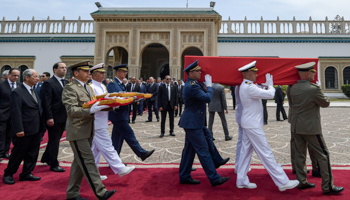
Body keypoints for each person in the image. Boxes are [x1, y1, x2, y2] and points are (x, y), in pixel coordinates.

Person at [236, 61, 299, 191]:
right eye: (254, 73)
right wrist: (271, 86)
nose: (257, 74)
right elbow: (270, 95)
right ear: (247, 74)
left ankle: (241, 179)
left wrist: (265, 87)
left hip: (249, 123)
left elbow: (260, 93)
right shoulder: (249, 87)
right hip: (252, 125)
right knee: (266, 153)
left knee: (245, 152)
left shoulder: (247, 85)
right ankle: (282, 182)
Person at [62, 61, 116, 200]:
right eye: (85, 71)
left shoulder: (88, 88)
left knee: (78, 163)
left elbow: (95, 104)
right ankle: (101, 192)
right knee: (88, 160)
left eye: (88, 71)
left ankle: (72, 194)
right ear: (76, 73)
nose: (88, 73)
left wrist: (112, 105)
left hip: (89, 129)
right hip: (78, 130)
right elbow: (71, 110)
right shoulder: (71, 88)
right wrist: (90, 109)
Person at [288, 62, 344, 194]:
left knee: (299, 155)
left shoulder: (292, 88)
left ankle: (302, 181)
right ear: (307, 74)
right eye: (313, 72)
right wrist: (319, 89)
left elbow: (292, 104)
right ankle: (327, 186)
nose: (314, 74)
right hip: (311, 128)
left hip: (296, 126)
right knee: (324, 155)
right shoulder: (313, 89)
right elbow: (325, 103)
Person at [179, 60, 230, 187]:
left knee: (190, 151)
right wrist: (210, 87)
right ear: (190, 73)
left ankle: (185, 175)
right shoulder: (192, 86)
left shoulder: (194, 84)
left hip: (196, 122)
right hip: (193, 123)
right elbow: (207, 98)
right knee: (203, 150)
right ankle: (214, 178)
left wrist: (206, 86)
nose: (200, 72)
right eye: (197, 71)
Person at [89, 63, 135, 180]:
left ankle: (92, 174)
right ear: (94, 75)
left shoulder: (103, 86)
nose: (104, 74)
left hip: (102, 120)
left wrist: (115, 104)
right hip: (95, 121)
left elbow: (107, 99)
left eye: (104, 73)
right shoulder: (91, 87)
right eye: (101, 73)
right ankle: (119, 168)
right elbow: (94, 104)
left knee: (95, 150)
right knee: (107, 145)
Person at [3, 69, 45, 185]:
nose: (38, 78)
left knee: (33, 153)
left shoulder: (34, 90)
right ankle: (8, 173)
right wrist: (19, 129)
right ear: (27, 77)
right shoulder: (17, 92)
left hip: (36, 128)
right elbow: (16, 112)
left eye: (38, 76)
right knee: (18, 153)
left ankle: (27, 173)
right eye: (35, 76)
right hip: (24, 129)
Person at [107, 64, 155, 161]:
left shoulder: (120, 84)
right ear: (118, 72)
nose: (125, 73)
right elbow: (115, 99)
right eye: (123, 71)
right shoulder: (112, 84)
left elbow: (124, 97)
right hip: (118, 115)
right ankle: (141, 153)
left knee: (117, 139)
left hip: (122, 114)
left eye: (125, 72)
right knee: (129, 134)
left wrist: (133, 98)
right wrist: (131, 98)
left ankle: (113, 161)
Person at [40, 62, 68, 172]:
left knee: (55, 139)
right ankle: (54, 163)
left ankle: (46, 157)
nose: (64, 69)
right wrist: (49, 117)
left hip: (63, 116)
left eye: (65, 68)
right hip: (54, 117)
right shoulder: (49, 83)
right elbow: (46, 102)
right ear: (55, 70)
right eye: (62, 68)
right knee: (54, 140)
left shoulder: (65, 82)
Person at [0, 68, 20, 160]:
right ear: (9, 75)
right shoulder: (1, 85)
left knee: (9, 134)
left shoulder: (19, 86)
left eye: (17, 76)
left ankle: (5, 152)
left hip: (13, 115)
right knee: (1, 134)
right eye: (14, 75)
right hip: (2, 114)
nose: (16, 77)